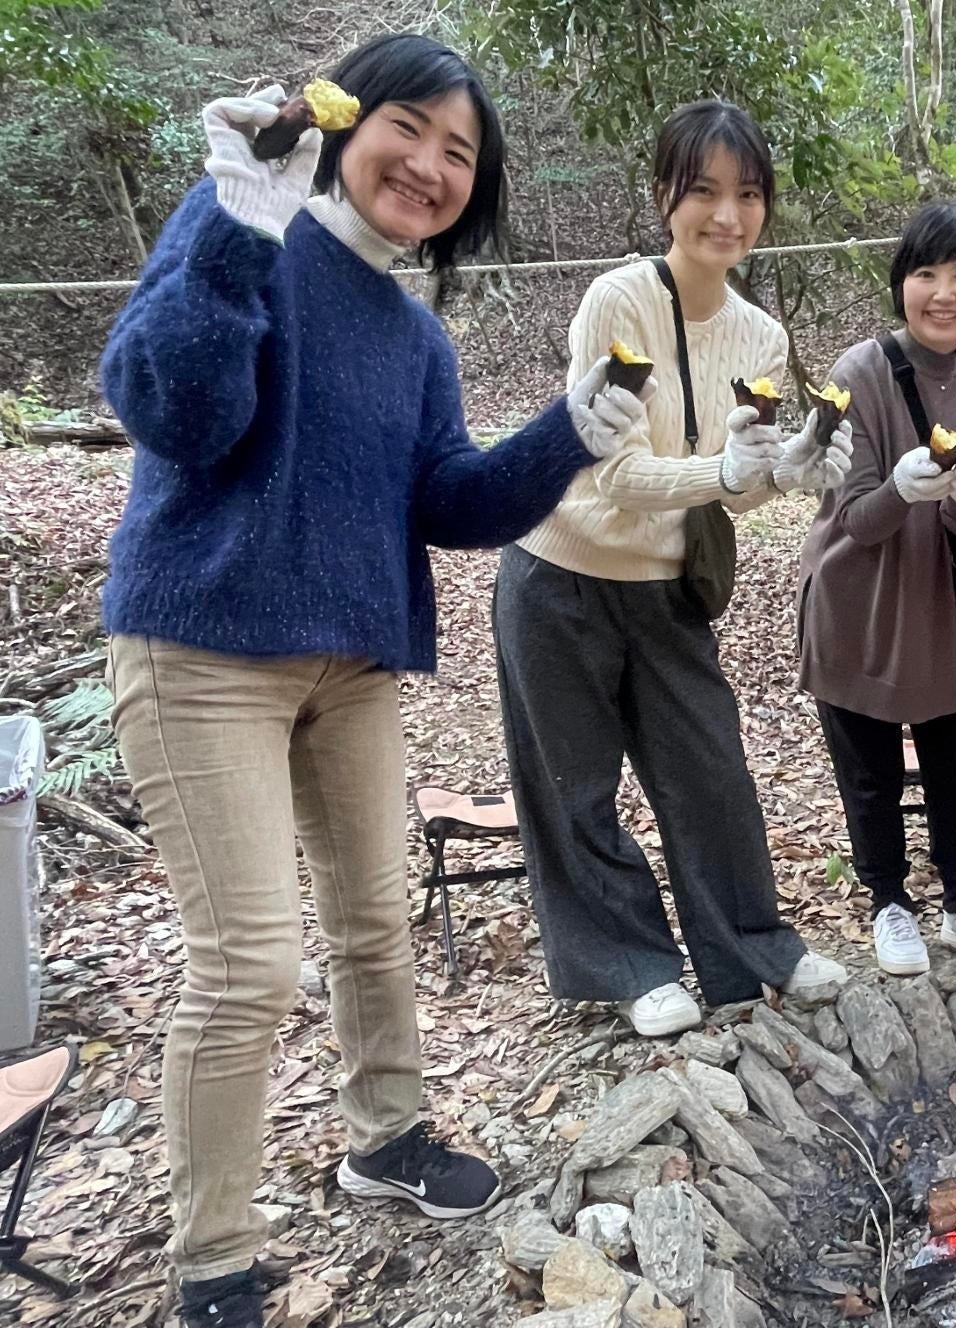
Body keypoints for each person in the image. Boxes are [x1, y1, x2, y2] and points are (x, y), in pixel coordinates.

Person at [99, 34, 621, 1328]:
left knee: (372, 923)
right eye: (413, 129)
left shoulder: (414, 333)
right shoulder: (244, 224)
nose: (432, 166)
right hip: (204, 649)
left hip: (354, 664)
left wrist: (570, 433)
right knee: (247, 965)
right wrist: (231, 223)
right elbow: (174, 411)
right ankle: (211, 1258)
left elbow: (446, 503)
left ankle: (385, 1139)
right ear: (343, 124)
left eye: (462, 153)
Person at [494, 99, 851, 1038]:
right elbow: (611, 469)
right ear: (664, 198)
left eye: (746, 195)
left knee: (712, 772)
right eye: (703, 192)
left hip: (666, 587)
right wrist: (725, 470)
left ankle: (752, 948)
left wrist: (785, 471)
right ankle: (631, 963)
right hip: (558, 570)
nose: (725, 216)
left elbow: (734, 488)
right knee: (573, 784)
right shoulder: (616, 302)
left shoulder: (764, 338)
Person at [797, 202, 956, 976]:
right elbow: (856, 519)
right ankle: (889, 904)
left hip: (932, 602)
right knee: (870, 770)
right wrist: (903, 486)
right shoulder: (859, 373)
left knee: (949, 756)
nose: (943, 292)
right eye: (926, 273)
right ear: (903, 283)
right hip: (854, 599)